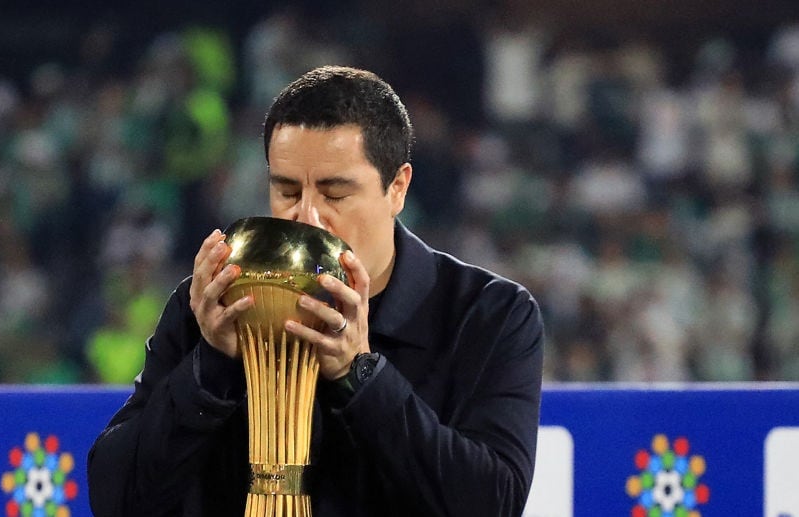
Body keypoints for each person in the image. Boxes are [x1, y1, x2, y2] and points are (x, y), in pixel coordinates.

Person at [87, 65, 544, 516]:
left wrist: (360, 375)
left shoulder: (489, 315)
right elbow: (116, 500)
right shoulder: (211, 307)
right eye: (286, 190)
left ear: (397, 188)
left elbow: (494, 503)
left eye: (335, 193)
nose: (306, 216)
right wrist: (210, 367)